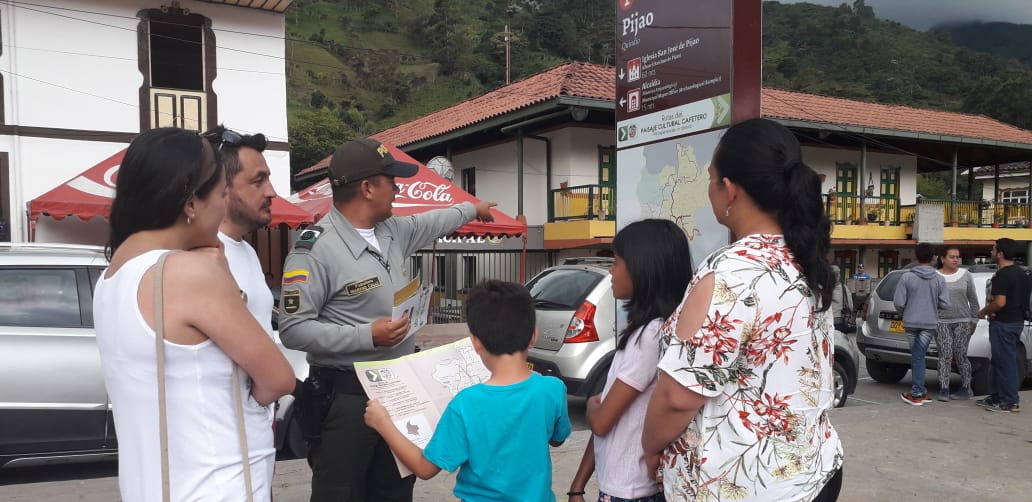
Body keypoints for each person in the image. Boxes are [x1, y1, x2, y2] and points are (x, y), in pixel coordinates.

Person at [278, 137, 497, 502]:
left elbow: (434, 220)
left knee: (395, 490)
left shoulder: (392, 231)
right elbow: (293, 328)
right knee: (341, 494)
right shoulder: (314, 249)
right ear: (367, 188)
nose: (397, 188)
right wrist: (367, 336)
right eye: (390, 180)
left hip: (399, 393)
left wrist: (473, 208)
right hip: (346, 399)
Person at [641, 118, 843, 501]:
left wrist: (650, 447)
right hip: (815, 470)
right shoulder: (805, 260)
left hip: (743, 486)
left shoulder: (730, 273)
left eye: (711, 177)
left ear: (729, 190)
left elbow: (677, 397)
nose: (709, 188)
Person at [94, 128, 296, 500]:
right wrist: (222, 277)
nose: (222, 208)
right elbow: (279, 380)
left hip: (152, 485)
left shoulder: (112, 274)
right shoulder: (188, 273)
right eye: (221, 194)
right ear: (191, 204)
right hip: (217, 484)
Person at [364, 280, 572, 501]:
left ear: (475, 343)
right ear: (533, 335)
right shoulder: (553, 389)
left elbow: (425, 469)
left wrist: (382, 423)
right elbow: (558, 438)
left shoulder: (466, 404)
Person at [566, 219, 692, 502]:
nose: (610, 271)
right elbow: (609, 418)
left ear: (643, 270)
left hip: (631, 491)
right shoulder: (652, 329)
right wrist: (578, 485)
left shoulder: (649, 335)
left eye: (617, 261)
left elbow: (601, 422)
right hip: (622, 485)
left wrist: (590, 406)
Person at [202, 126, 277, 338]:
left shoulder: (248, 252)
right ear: (220, 186)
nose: (272, 192)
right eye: (258, 181)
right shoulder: (200, 257)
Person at [894, 242, 950, 406]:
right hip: (929, 323)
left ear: (916, 257)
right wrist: (932, 305)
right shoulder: (939, 279)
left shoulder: (907, 277)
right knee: (919, 356)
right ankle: (919, 391)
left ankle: (918, 392)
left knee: (917, 356)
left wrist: (904, 311)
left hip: (910, 321)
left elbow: (898, 301)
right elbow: (946, 304)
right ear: (933, 258)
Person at [976, 238, 1024, 413]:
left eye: (994, 249)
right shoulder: (1021, 273)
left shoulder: (1003, 275)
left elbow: (1000, 302)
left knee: (1005, 363)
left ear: (1001, 253)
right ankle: (995, 397)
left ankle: (1010, 401)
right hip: (1015, 321)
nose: (991, 252)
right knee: (998, 361)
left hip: (1004, 323)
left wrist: (983, 311)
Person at [935, 246, 980, 401]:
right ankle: (944, 388)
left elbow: (973, 300)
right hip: (941, 322)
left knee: (960, 354)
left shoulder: (966, 275)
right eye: (952, 257)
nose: (956, 260)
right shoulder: (935, 276)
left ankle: (966, 388)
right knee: (945, 355)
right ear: (943, 259)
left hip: (963, 322)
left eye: (957, 257)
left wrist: (974, 320)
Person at [830, 264, 855, 333]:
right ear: (839, 275)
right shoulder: (844, 288)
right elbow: (851, 306)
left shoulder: (823, 288)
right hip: (840, 321)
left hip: (826, 321)